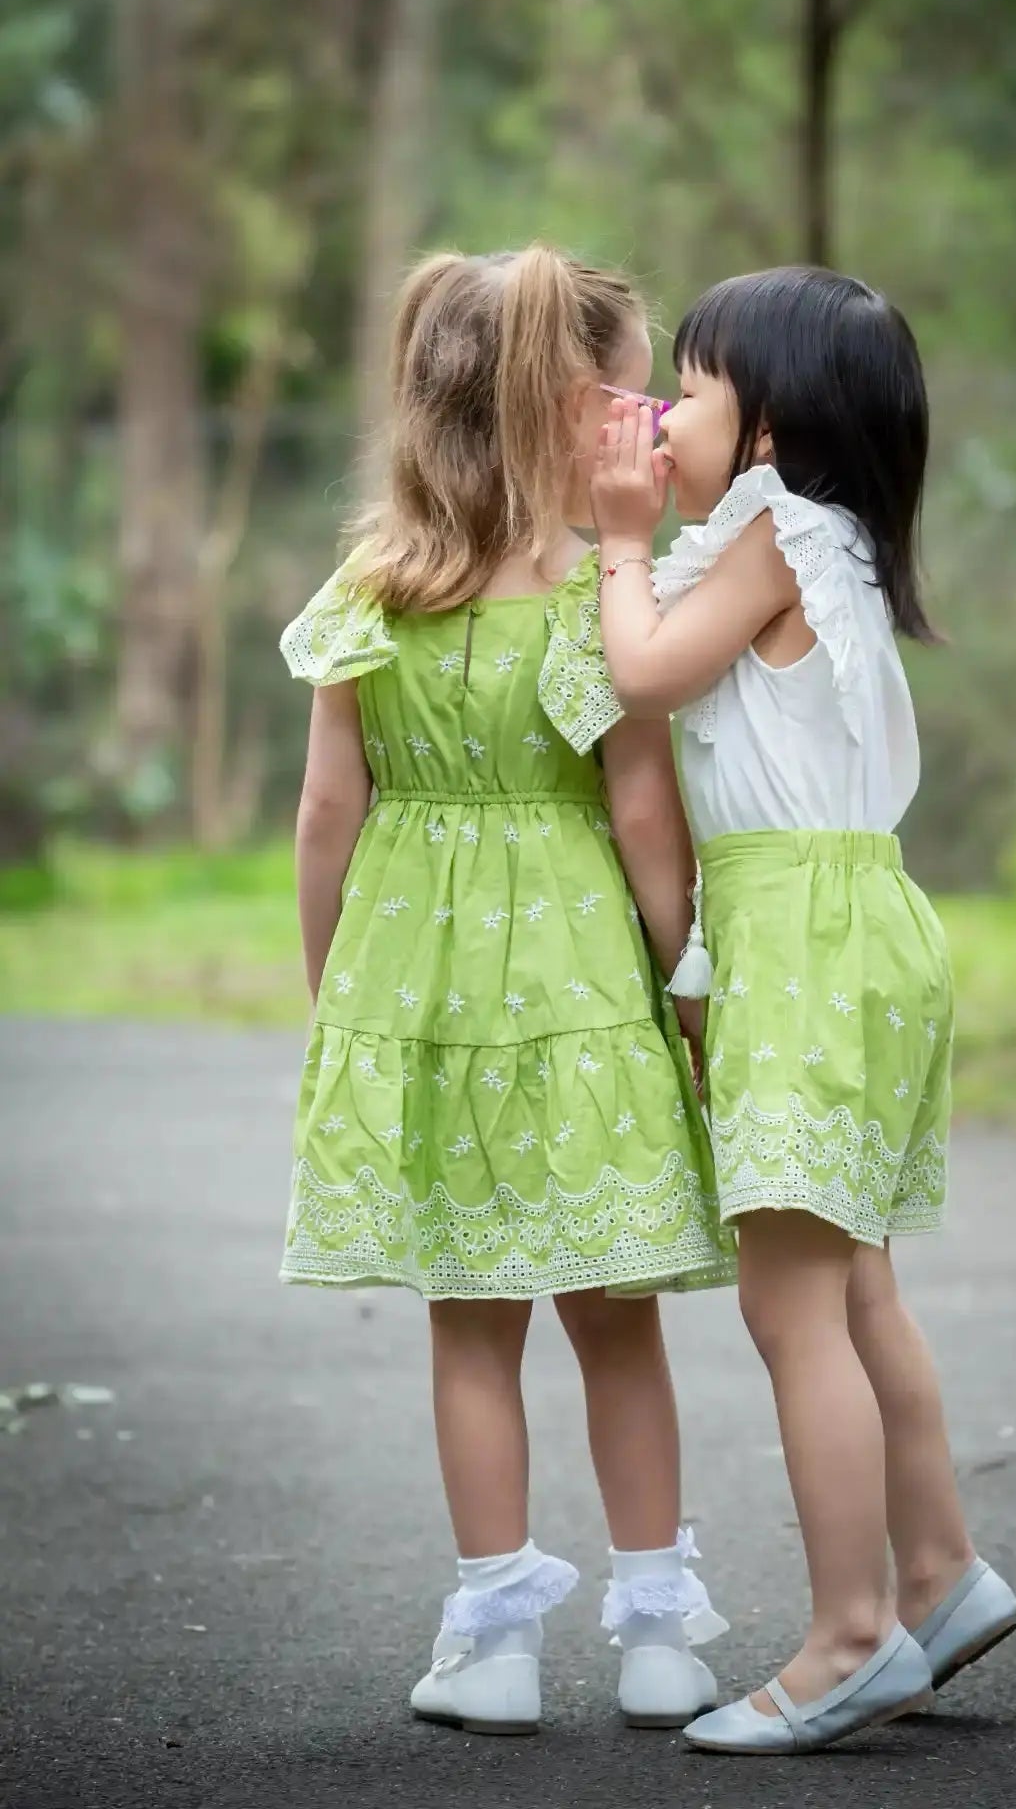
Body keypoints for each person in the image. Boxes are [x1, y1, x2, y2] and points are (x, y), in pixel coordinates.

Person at [278, 244, 734, 1738]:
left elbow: (326, 819)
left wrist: (331, 998)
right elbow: (647, 817)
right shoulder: (608, 597)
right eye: (625, 389)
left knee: (471, 1318)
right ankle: (662, 1629)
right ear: (570, 406)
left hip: (417, 997)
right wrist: (690, 987)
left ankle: (493, 1646)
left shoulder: (371, 588)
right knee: (617, 1311)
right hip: (586, 986)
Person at [588, 265, 1016, 1756]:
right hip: (865, 922)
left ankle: (848, 1635)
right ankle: (939, 1572)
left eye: (689, 388)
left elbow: (639, 672)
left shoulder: (769, 533)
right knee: (857, 1287)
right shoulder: (815, 539)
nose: (662, 412)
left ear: (766, 428)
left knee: (792, 1307)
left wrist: (615, 544)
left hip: (802, 938)